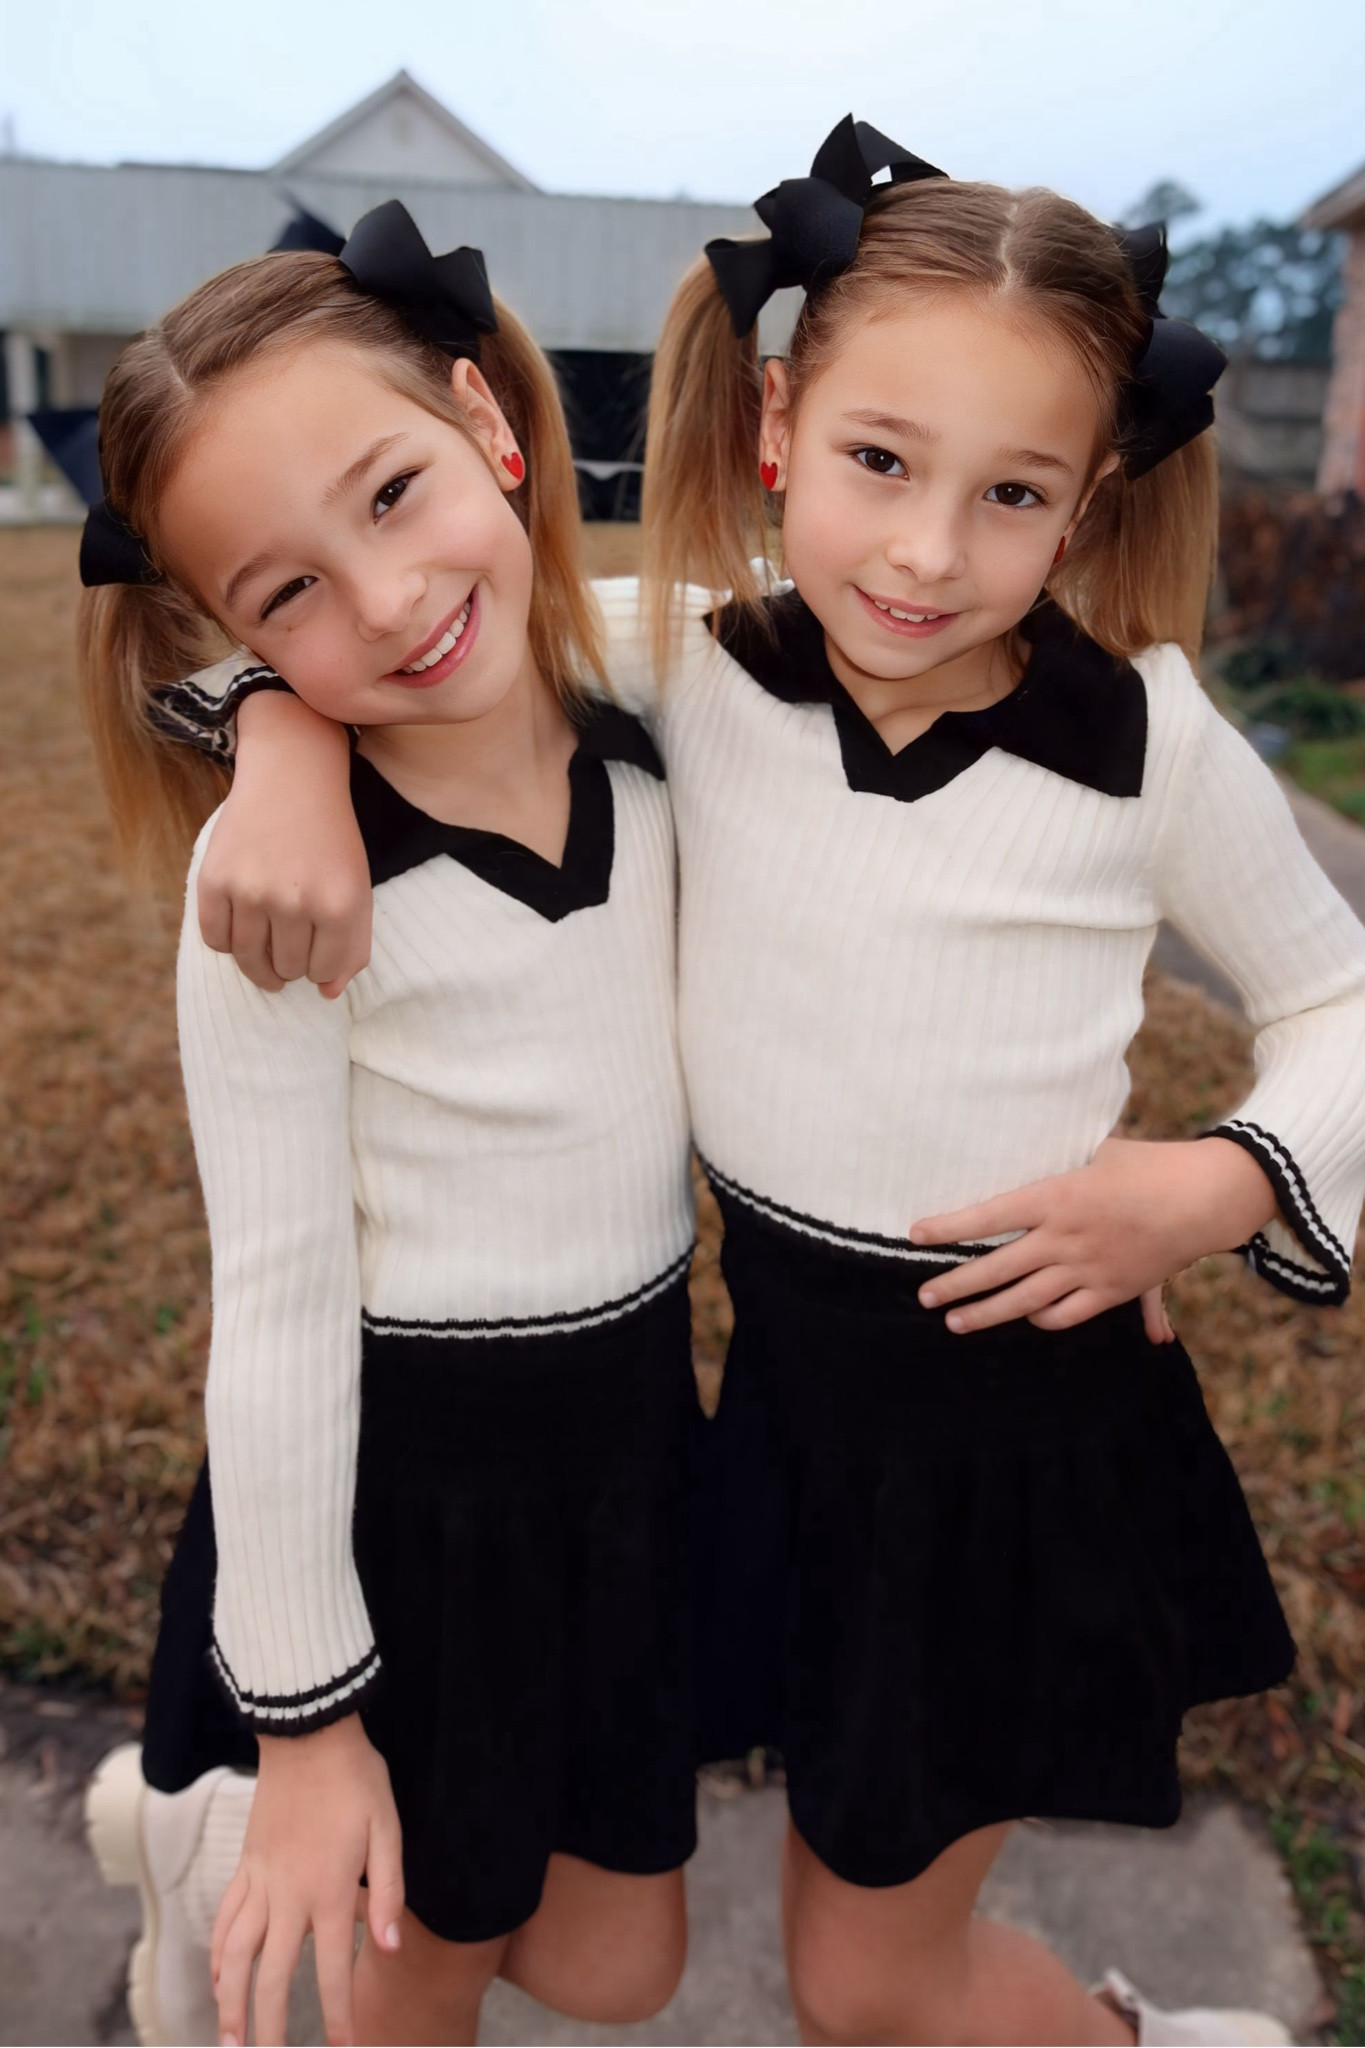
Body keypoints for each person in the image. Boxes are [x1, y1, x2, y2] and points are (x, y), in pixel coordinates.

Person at [119, 127, 1365, 2045]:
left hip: (1013, 1442)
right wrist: (279, 741)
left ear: (1090, 495)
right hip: (766, 1425)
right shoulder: (704, 669)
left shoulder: (1153, 744)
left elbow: (1342, 996)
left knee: (868, 1987)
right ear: (778, 424)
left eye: (1011, 490)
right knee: (630, 1955)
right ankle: (226, 1824)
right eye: (881, 463)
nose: (930, 553)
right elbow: (432, 648)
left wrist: (1218, 1181)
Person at [76, 201, 699, 2048]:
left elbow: (863, 617)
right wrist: (310, 1724)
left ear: (487, 426)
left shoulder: (655, 710)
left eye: (394, 494)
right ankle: (237, 1838)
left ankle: (195, 1845)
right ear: (227, 624)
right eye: (284, 598)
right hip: (400, 1507)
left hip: (628, 1458)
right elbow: (269, 1313)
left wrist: (275, 714)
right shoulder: (277, 903)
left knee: (615, 1968)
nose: (388, 601)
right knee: (403, 1979)